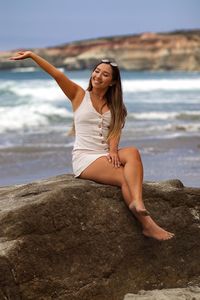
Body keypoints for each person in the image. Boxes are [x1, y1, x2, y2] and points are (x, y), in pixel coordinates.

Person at [10, 51, 174, 241]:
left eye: (105, 74)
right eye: (96, 71)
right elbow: (57, 74)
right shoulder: (79, 95)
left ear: (112, 82)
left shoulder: (116, 106)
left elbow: (114, 132)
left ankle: (137, 201)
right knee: (123, 177)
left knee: (133, 152)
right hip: (85, 158)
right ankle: (148, 226)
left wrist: (113, 150)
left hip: (104, 155)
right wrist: (32, 56)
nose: (98, 76)